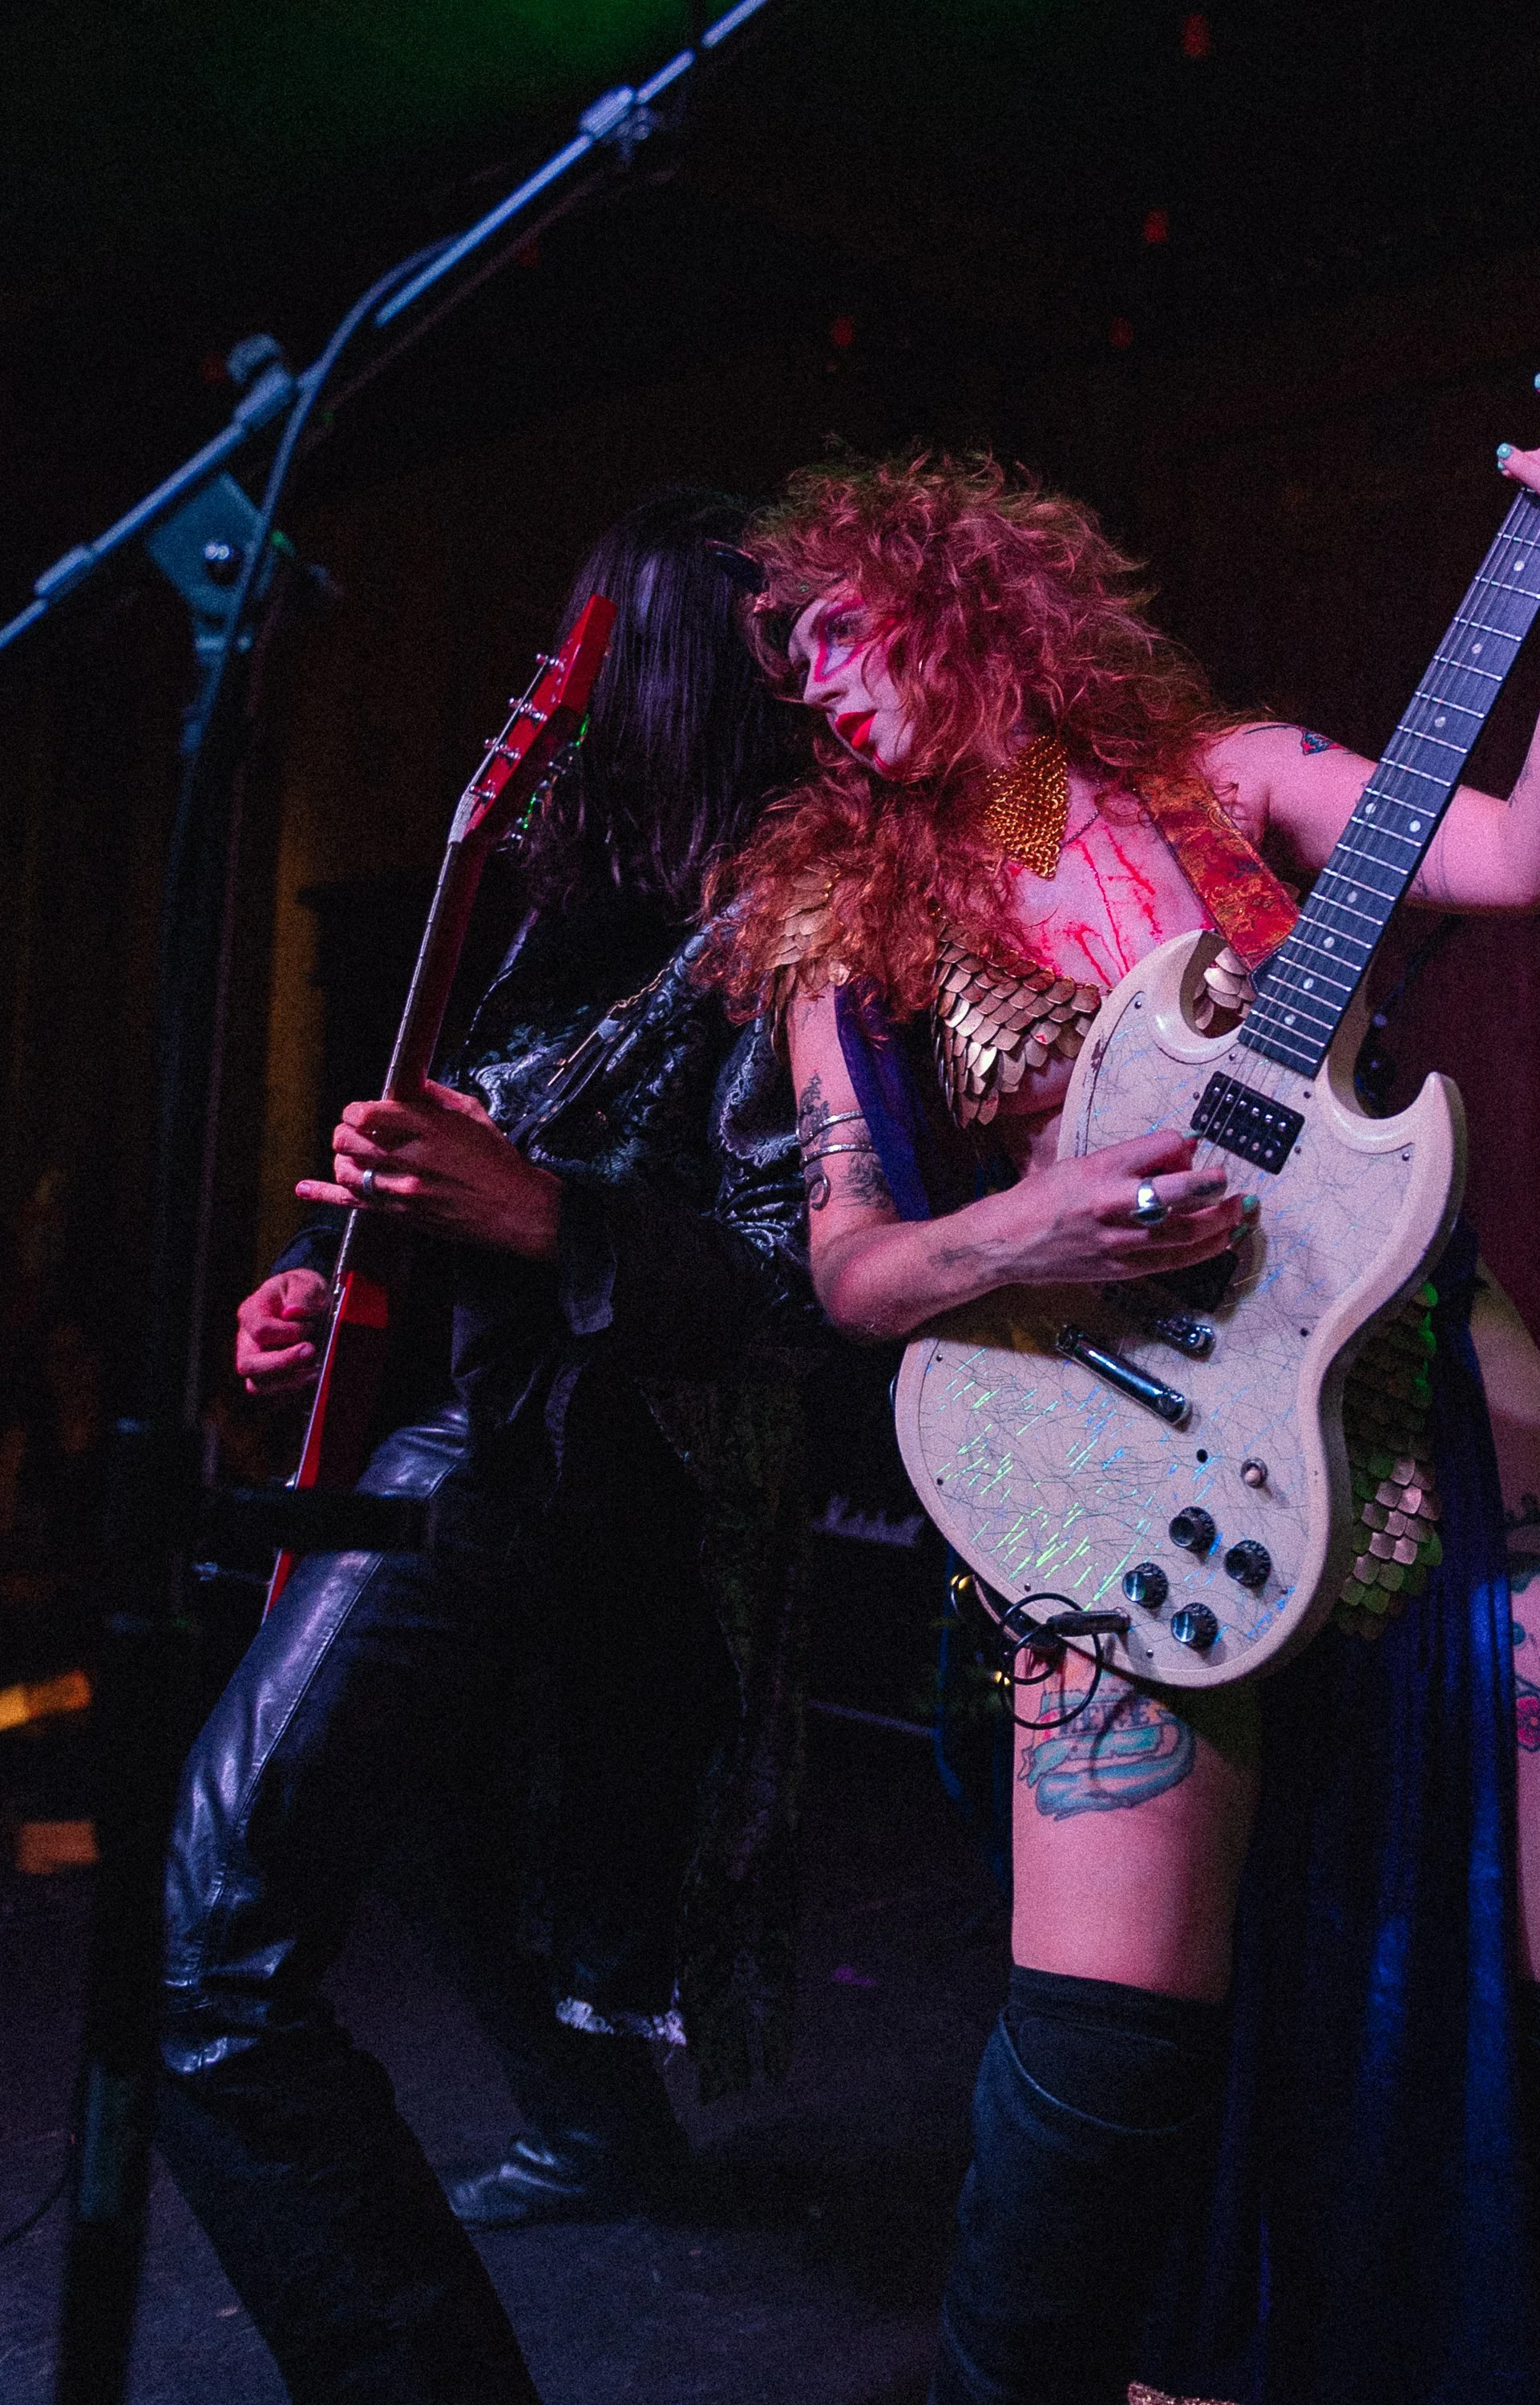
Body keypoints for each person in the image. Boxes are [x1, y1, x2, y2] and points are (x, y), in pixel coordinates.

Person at [707, 325, 1540, 2405]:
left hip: (1405, 1349)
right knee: (1103, 2029)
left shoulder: (1227, 780)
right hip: (1113, 1424)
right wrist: (1025, 1227)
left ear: (969, 585)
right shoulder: (841, 927)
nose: (800, 672)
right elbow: (855, 1265)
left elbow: (1530, 859)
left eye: (826, 620)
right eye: (774, 656)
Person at [159, 489, 822, 2405]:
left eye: (590, 651)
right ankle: (595, 2123)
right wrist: (310, 1281)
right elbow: (440, 1147)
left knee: (213, 1957)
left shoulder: (794, 943)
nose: (554, 686)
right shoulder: (561, 926)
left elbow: (808, 1299)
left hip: (579, 1484)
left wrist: (551, 1221)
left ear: (671, 682)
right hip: (450, 1433)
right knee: (431, 1833)